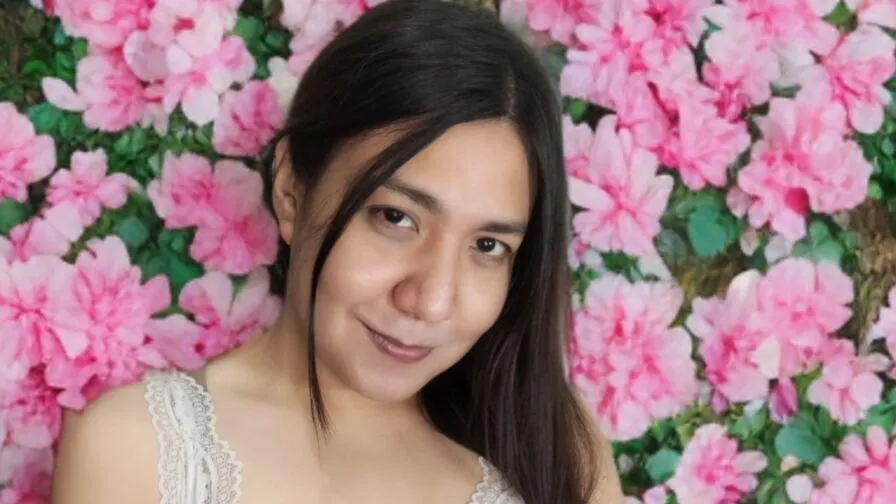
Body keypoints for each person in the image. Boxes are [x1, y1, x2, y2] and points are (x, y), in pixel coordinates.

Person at [50, 0, 624, 502]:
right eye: (395, 217)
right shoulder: (139, 451)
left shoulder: (553, 448)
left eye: (488, 245)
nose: (431, 300)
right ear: (291, 191)